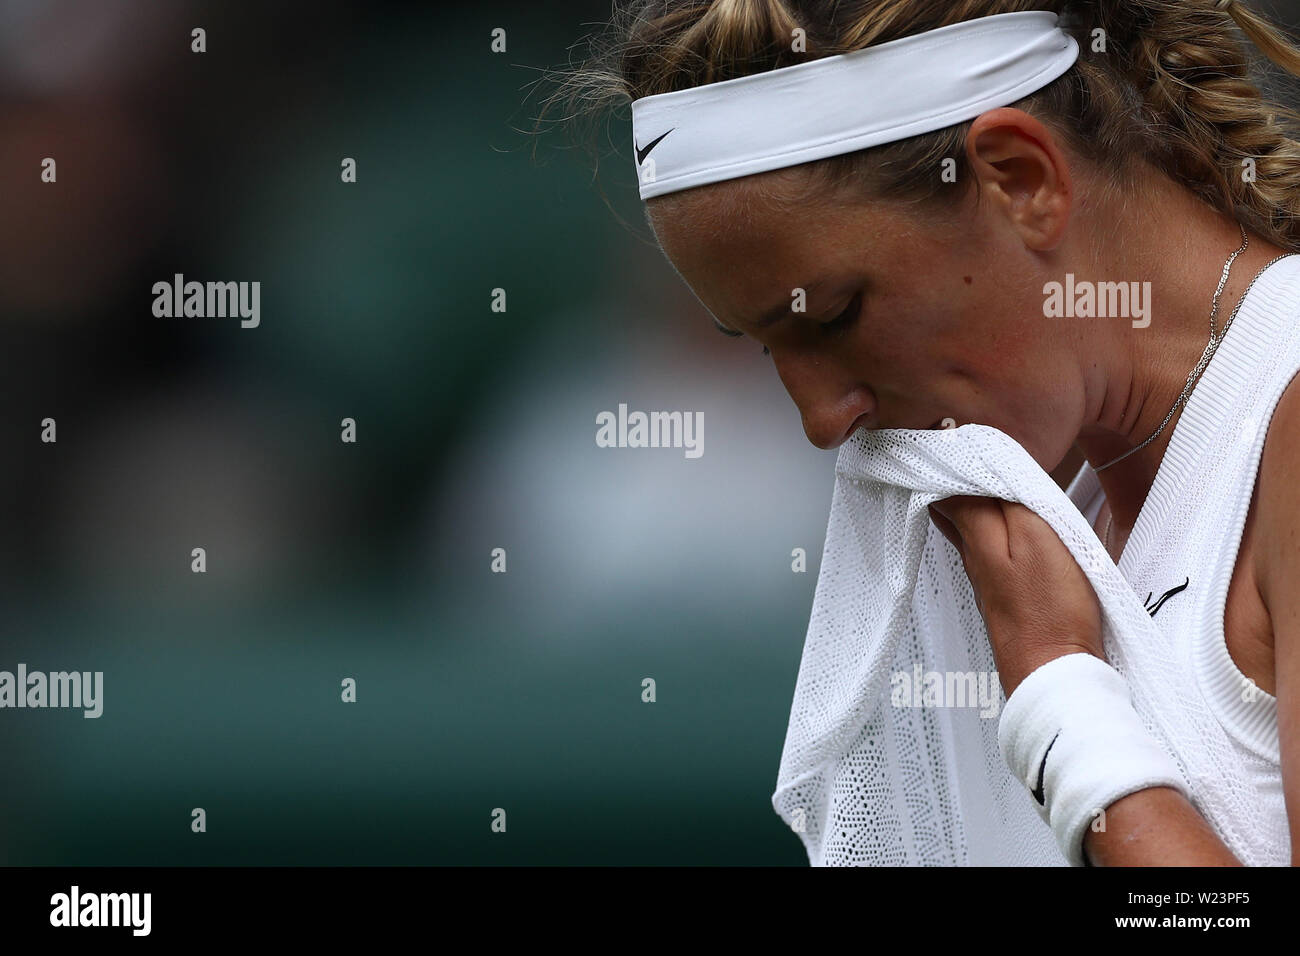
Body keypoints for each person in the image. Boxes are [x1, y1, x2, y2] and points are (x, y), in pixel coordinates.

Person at [535, 0, 1300, 864]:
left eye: (835, 315)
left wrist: (1057, 694)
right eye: (761, 346)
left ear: (1021, 179)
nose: (823, 423)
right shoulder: (1030, 508)